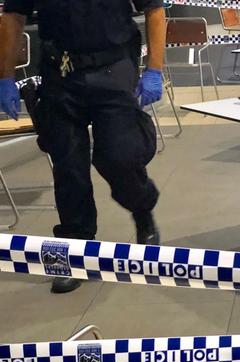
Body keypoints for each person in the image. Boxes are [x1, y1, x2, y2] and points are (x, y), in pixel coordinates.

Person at [0, 0, 166, 294]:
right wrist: (6, 77)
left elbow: (154, 9)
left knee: (120, 157)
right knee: (68, 167)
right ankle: (76, 251)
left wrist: (154, 69)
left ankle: (142, 211)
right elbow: (13, 16)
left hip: (113, 69)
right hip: (59, 75)